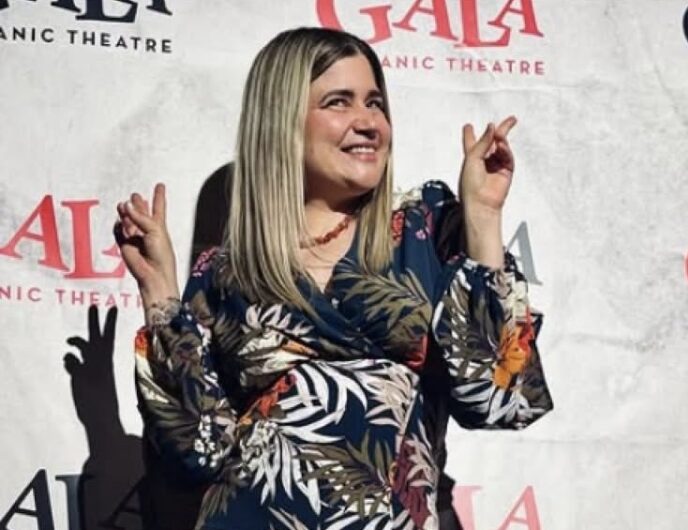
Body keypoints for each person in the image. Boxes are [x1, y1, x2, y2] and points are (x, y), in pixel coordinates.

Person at [115, 27, 553, 530]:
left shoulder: (427, 231)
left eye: (374, 103)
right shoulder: (225, 273)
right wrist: (160, 293)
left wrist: (483, 216)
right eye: (338, 102)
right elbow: (197, 451)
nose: (368, 122)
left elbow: (499, 399)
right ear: (281, 120)